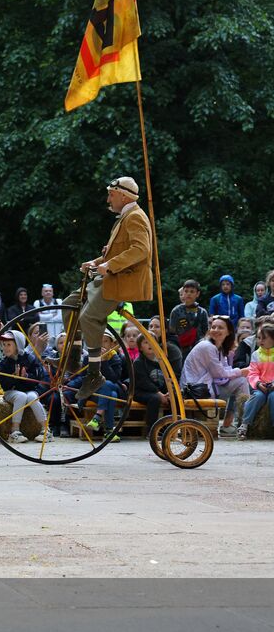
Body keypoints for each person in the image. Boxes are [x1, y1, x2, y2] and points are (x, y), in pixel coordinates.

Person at [64, 177, 153, 405]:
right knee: (69, 304)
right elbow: (116, 253)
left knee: (90, 317)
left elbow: (141, 250)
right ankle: (72, 358)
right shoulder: (123, 218)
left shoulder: (135, 217)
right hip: (110, 277)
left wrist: (109, 266)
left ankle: (94, 373)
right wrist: (96, 262)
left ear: (123, 195)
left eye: (110, 194)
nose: (108, 199)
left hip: (123, 281)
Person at [180, 316, 249, 435]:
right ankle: (244, 423)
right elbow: (219, 373)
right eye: (213, 327)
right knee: (241, 381)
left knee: (240, 380)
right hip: (196, 390)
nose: (216, 330)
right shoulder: (207, 346)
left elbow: (224, 369)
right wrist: (240, 371)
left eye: (220, 327)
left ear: (228, 332)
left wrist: (238, 372)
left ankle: (232, 424)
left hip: (205, 386)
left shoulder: (219, 347)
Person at [0, 330, 48, 443]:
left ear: (18, 344)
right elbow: (4, 385)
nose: (5, 348)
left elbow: (36, 379)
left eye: (9, 344)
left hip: (29, 390)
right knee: (21, 396)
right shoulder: (4, 363)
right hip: (11, 391)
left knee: (32, 397)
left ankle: (46, 429)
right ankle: (15, 431)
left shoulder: (29, 358)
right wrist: (13, 378)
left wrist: (27, 377)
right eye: (4, 345)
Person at [132, 332, 174, 437]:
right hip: (141, 391)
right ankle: (151, 430)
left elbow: (167, 378)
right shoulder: (138, 362)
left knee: (174, 397)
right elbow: (144, 382)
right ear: (140, 347)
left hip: (159, 391)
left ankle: (170, 428)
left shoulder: (162, 361)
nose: (150, 344)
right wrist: (159, 394)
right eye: (146, 342)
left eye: (152, 341)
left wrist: (168, 392)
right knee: (154, 399)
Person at [240, 323, 274, 439]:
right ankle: (244, 425)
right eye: (259, 338)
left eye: (264, 338)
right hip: (259, 386)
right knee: (258, 397)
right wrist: (258, 383)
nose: (260, 341)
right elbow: (253, 372)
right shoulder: (256, 355)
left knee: (273, 397)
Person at [168, 279, 210, 356]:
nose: (188, 294)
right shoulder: (176, 311)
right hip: (180, 349)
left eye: (192, 291)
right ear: (182, 292)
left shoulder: (202, 312)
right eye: (186, 291)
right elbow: (172, 332)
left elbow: (206, 331)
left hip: (198, 349)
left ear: (197, 294)